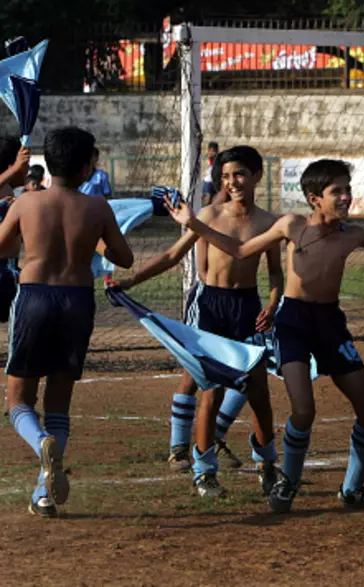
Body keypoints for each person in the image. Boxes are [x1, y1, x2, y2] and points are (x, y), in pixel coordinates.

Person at [164, 158, 364, 513]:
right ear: (315, 198)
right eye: (337, 191)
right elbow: (238, 250)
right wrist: (193, 224)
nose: (346, 197)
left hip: (330, 325)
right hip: (293, 324)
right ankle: (288, 483)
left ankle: (353, 490)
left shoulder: (353, 234)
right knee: (303, 410)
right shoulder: (291, 225)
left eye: (348, 189)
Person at [110, 146, 282, 498]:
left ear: (256, 176)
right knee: (211, 391)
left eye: (239, 174)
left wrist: (273, 305)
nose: (231, 182)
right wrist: (130, 281)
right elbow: (173, 255)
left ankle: (267, 464)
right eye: (225, 176)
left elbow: (276, 273)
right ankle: (204, 470)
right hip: (211, 307)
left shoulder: (269, 222)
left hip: (248, 308)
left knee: (260, 395)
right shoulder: (209, 215)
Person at [0, 127, 133, 518]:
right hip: (77, 300)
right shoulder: (97, 208)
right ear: (87, 166)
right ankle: (43, 490)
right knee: (59, 399)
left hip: (34, 296)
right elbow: (123, 258)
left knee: (18, 400)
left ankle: (41, 443)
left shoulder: (27, 203)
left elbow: (3, 246)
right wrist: (95, 239)